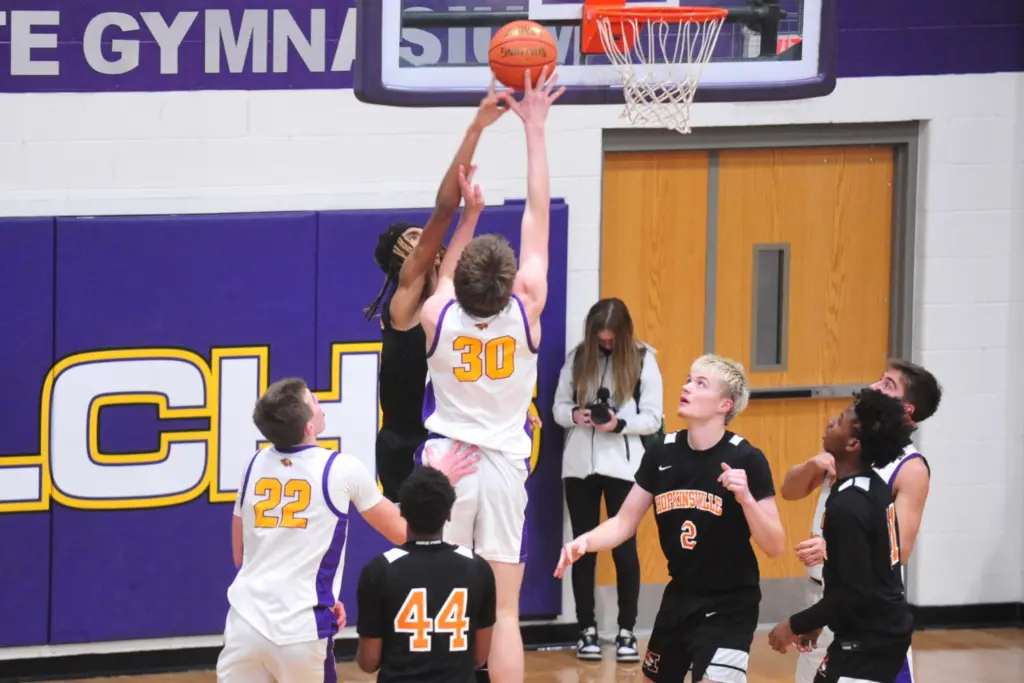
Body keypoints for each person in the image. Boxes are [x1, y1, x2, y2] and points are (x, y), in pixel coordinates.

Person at [418, 67, 565, 683]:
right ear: (509, 283)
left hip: (447, 461)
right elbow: (538, 214)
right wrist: (536, 129)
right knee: (504, 612)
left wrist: (470, 215)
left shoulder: (438, 313)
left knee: (439, 602)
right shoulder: (528, 305)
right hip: (504, 461)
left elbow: (444, 274)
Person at [216, 378, 478, 683]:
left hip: (243, 626)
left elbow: (241, 556)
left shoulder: (252, 465)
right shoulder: (340, 468)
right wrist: (437, 480)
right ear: (309, 427)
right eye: (314, 401)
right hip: (299, 629)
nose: (320, 404)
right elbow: (405, 532)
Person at [555, 354, 786, 682]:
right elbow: (623, 522)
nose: (686, 387)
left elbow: (775, 545)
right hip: (679, 596)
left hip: (730, 603)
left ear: (724, 405)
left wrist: (746, 499)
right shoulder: (661, 452)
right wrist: (585, 542)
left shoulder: (746, 458)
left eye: (700, 383)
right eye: (689, 380)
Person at [364, 82, 509, 503]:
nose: (422, 240)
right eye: (412, 237)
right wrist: (476, 129)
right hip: (403, 443)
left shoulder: (443, 292)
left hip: (444, 434)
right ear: (400, 258)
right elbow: (445, 211)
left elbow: (457, 233)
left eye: (421, 234)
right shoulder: (404, 299)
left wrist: (509, 415)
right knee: (415, 535)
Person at [781, 360, 941, 683]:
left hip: (866, 611)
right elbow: (789, 491)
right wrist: (812, 465)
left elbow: (899, 549)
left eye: (888, 385)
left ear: (906, 410)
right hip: (825, 597)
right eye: (880, 379)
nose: (874, 386)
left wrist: (832, 547)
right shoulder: (847, 443)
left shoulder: (910, 467)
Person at [552, 297, 664, 662]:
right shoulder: (577, 357)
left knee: (624, 549)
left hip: (625, 467)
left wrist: (619, 424)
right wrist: (576, 416)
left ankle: (627, 630)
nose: (605, 344)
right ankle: (586, 628)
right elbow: (557, 408)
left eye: (611, 339)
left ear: (623, 334)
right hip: (579, 467)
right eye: (600, 339)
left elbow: (654, 418)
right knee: (582, 547)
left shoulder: (644, 359)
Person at [355, 466, 497, 683]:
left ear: (402, 512)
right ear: (449, 513)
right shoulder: (478, 568)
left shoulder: (378, 570)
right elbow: (479, 658)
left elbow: (368, 663)